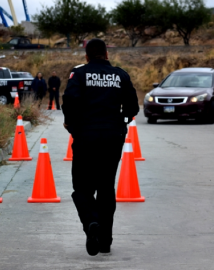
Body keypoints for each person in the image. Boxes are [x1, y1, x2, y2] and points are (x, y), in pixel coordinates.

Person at [62, 39, 139, 256]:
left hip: (86, 136)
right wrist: (122, 119)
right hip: (113, 137)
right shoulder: (120, 75)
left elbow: (69, 100)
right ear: (107, 54)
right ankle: (105, 241)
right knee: (106, 188)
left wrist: (71, 123)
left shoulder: (79, 74)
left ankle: (92, 224)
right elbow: (133, 107)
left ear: (86, 57)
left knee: (82, 188)